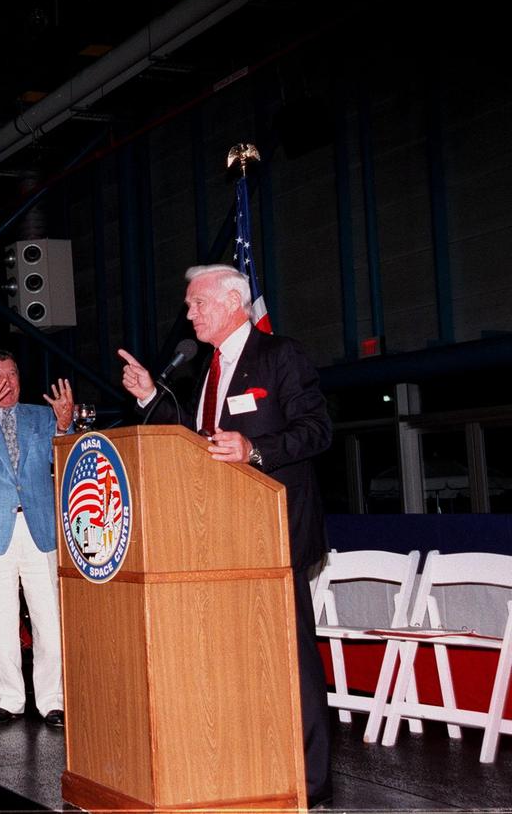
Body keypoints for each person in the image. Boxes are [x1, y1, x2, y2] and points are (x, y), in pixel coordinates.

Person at [116, 263, 333, 806]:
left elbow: (317, 430)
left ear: (233, 302)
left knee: (292, 659)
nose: (189, 314)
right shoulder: (209, 369)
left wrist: (255, 450)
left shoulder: (279, 355)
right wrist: (151, 396)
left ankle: (311, 783)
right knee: (239, 658)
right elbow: (196, 441)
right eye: (189, 305)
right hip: (221, 538)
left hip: (276, 533)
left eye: (197, 303)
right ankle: (253, 768)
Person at [0, 349, 74, 728]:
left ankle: (53, 701)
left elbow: (66, 460)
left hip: (40, 531)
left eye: (13, 374)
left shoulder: (43, 416)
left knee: (50, 619)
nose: (7, 382)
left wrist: (65, 426)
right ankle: (7, 700)